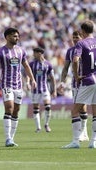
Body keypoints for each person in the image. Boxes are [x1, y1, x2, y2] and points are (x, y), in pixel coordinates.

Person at [0, 27, 37, 147]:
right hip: (7, 84)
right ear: (7, 37)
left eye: (17, 36)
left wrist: (32, 79)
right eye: (14, 36)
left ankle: (11, 138)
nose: (17, 38)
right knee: (9, 107)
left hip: (18, 85)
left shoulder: (21, 51)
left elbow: (26, 66)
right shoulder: (0, 52)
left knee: (16, 111)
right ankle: (7, 138)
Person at [62, 20, 96, 149]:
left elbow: (75, 60)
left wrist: (76, 76)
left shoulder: (81, 43)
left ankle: (75, 141)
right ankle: (93, 141)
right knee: (95, 111)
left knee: (75, 111)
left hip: (87, 80)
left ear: (83, 31)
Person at [58, 31, 89, 142]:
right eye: (74, 37)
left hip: (87, 81)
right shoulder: (70, 51)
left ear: (82, 37)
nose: (75, 39)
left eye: (77, 37)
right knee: (81, 107)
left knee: (80, 107)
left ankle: (83, 133)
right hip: (76, 83)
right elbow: (66, 68)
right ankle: (84, 133)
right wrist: (62, 82)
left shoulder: (87, 49)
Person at [27, 47, 57, 133]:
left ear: (39, 53)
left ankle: (46, 124)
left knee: (47, 106)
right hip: (35, 90)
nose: (33, 55)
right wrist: (28, 83)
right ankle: (38, 127)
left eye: (34, 53)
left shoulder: (48, 64)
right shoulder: (32, 64)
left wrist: (54, 90)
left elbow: (52, 78)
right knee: (36, 108)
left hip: (45, 89)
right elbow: (29, 75)